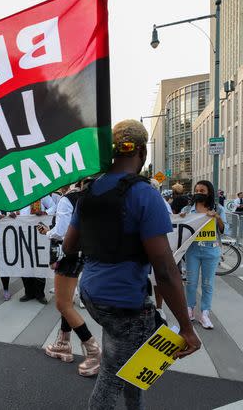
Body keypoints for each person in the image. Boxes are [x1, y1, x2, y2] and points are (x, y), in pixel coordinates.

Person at [63, 120, 200, 409]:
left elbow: (69, 245)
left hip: (92, 294)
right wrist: (186, 328)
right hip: (124, 302)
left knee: (132, 362)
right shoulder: (144, 193)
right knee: (111, 377)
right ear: (141, 151)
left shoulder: (89, 191)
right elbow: (164, 269)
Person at [39, 182, 101, 377]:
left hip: (68, 253)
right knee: (66, 302)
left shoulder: (68, 199)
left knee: (63, 305)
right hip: (84, 252)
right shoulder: (89, 197)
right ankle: (63, 343)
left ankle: (93, 351)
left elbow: (62, 231)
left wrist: (47, 232)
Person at [180, 180, 227, 329]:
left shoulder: (218, 209)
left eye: (202, 191)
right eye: (197, 190)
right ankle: (190, 310)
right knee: (191, 282)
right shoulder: (187, 209)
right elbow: (181, 229)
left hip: (211, 250)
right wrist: (181, 218)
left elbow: (224, 229)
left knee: (207, 284)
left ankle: (205, 314)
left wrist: (217, 218)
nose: (199, 193)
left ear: (209, 192)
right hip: (192, 250)